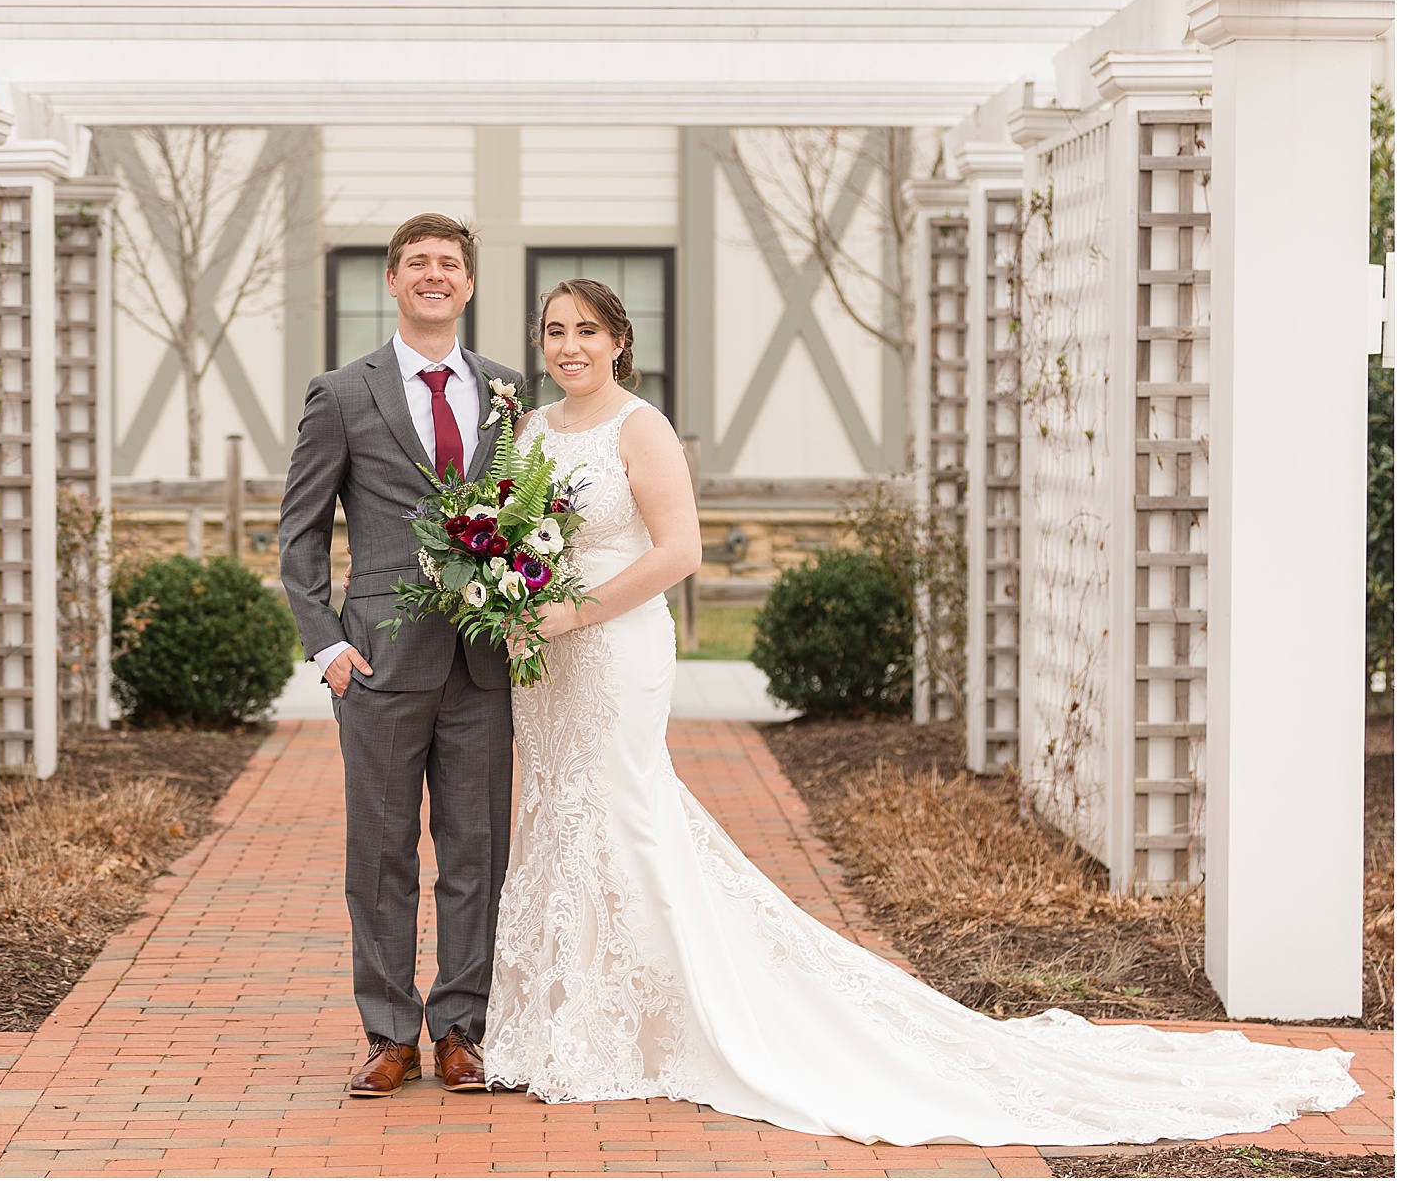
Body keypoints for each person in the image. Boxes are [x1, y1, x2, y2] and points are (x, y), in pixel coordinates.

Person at [477, 276, 1360, 1145]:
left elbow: (681, 550)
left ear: (620, 341)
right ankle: (574, 1016)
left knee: (618, 810)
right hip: (543, 657)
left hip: (616, 649)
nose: (570, 347)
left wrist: (572, 612)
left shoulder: (644, 428)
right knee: (556, 808)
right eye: (554, 331)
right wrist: (515, 609)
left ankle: (638, 1020)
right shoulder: (531, 430)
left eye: (588, 330)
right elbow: (511, 537)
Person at [278, 214, 524, 1098]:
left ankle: (461, 1027)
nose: (433, 275)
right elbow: (299, 534)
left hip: (483, 664)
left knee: (476, 850)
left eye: (449, 264)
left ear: (467, 284)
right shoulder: (343, 393)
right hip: (377, 663)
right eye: (417, 263)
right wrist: (329, 646)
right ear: (392, 280)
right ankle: (389, 1033)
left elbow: (530, 514)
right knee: (379, 853)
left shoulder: (508, 391)